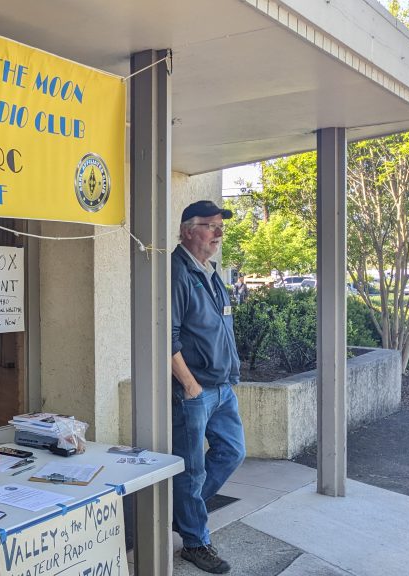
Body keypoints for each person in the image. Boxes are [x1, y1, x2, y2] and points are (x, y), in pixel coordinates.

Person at [170, 200, 246, 574]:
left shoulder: (211, 272)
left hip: (223, 387)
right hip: (195, 390)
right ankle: (195, 542)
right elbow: (166, 339)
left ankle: (183, 511)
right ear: (187, 231)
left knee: (232, 452)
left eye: (220, 227)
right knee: (192, 469)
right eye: (209, 226)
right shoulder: (177, 273)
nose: (218, 233)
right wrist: (190, 385)